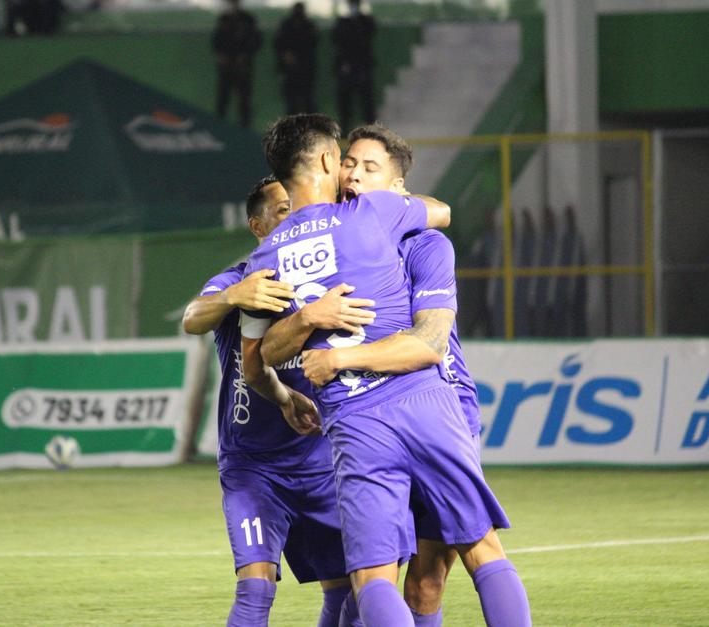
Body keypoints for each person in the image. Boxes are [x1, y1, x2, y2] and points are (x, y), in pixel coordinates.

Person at [241, 113, 531, 627]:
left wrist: (331, 352)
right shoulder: (373, 215)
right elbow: (438, 211)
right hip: (395, 409)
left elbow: (429, 343)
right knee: (448, 558)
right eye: (347, 161)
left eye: (366, 166)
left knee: (398, 578)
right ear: (330, 161)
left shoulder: (266, 258)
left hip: (392, 410)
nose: (352, 173)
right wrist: (311, 316)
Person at [182, 176, 373, 627]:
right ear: (257, 225)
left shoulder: (326, 279)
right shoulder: (241, 280)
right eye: (284, 209)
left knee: (346, 590)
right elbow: (192, 317)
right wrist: (232, 296)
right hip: (254, 466)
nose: (297, 215)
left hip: (322, 460)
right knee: (255, 588)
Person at [212, 0, 263, 128]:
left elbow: (256, 40)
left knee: (244, 100)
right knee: (223, 99)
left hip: (243, 67)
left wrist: (245, 55)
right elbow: (216, 40)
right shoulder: (223, 19)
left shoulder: (248, 20)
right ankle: (220, 127)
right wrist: (221, 55)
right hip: (226, 67)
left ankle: (245, 128)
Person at [332, 0, 376, 132]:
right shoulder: (342, 22)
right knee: (345, 104)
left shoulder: (365, 21)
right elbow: (336, 38)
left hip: (362, 66)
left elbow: (370, 30)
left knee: (367, 102)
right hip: (347, 67)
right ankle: (344, 131)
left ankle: (372, 130)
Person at [273, 2, 319, 115]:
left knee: (304, 103)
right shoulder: (303, 25)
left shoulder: (305, 25)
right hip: (295, 70)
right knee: (295, 104)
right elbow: (279, 44)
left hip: (302, 70)